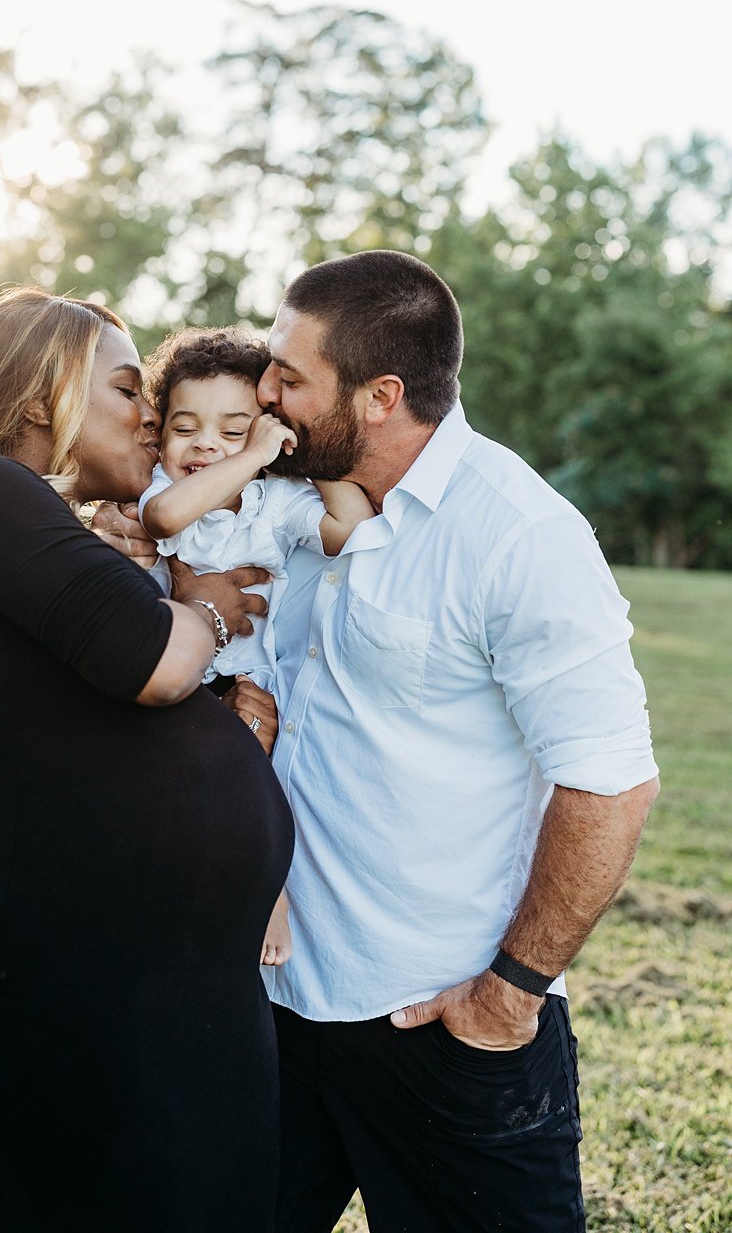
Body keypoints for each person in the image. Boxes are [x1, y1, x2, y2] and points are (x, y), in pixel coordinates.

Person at [250, 250, 660, 1233]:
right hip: (273, 1012)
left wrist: (507, 993)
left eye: (288, 376)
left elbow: (608, 784)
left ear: (380, 395)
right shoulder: (292, 508)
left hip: (439, 1030)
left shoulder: (518, 534)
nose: (264, 392)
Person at [0, 287, 293, 1233]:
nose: (150, 419)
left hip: (172, 984)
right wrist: (207, 615)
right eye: (126, 390)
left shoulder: (75, 534)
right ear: (42, 397)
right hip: (65, 985)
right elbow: (154, 666)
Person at [138, 325, 374, 964]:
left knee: (251, 792)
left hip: (246, 682)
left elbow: (348, 528)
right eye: (185, 428)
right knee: (172, 804)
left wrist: (305, 455)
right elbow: (164, 521)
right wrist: (248, 454)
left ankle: (269, 897)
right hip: (167, 676)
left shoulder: (275, 504)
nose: (206, 444)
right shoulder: (162, 490)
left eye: (233, 431)